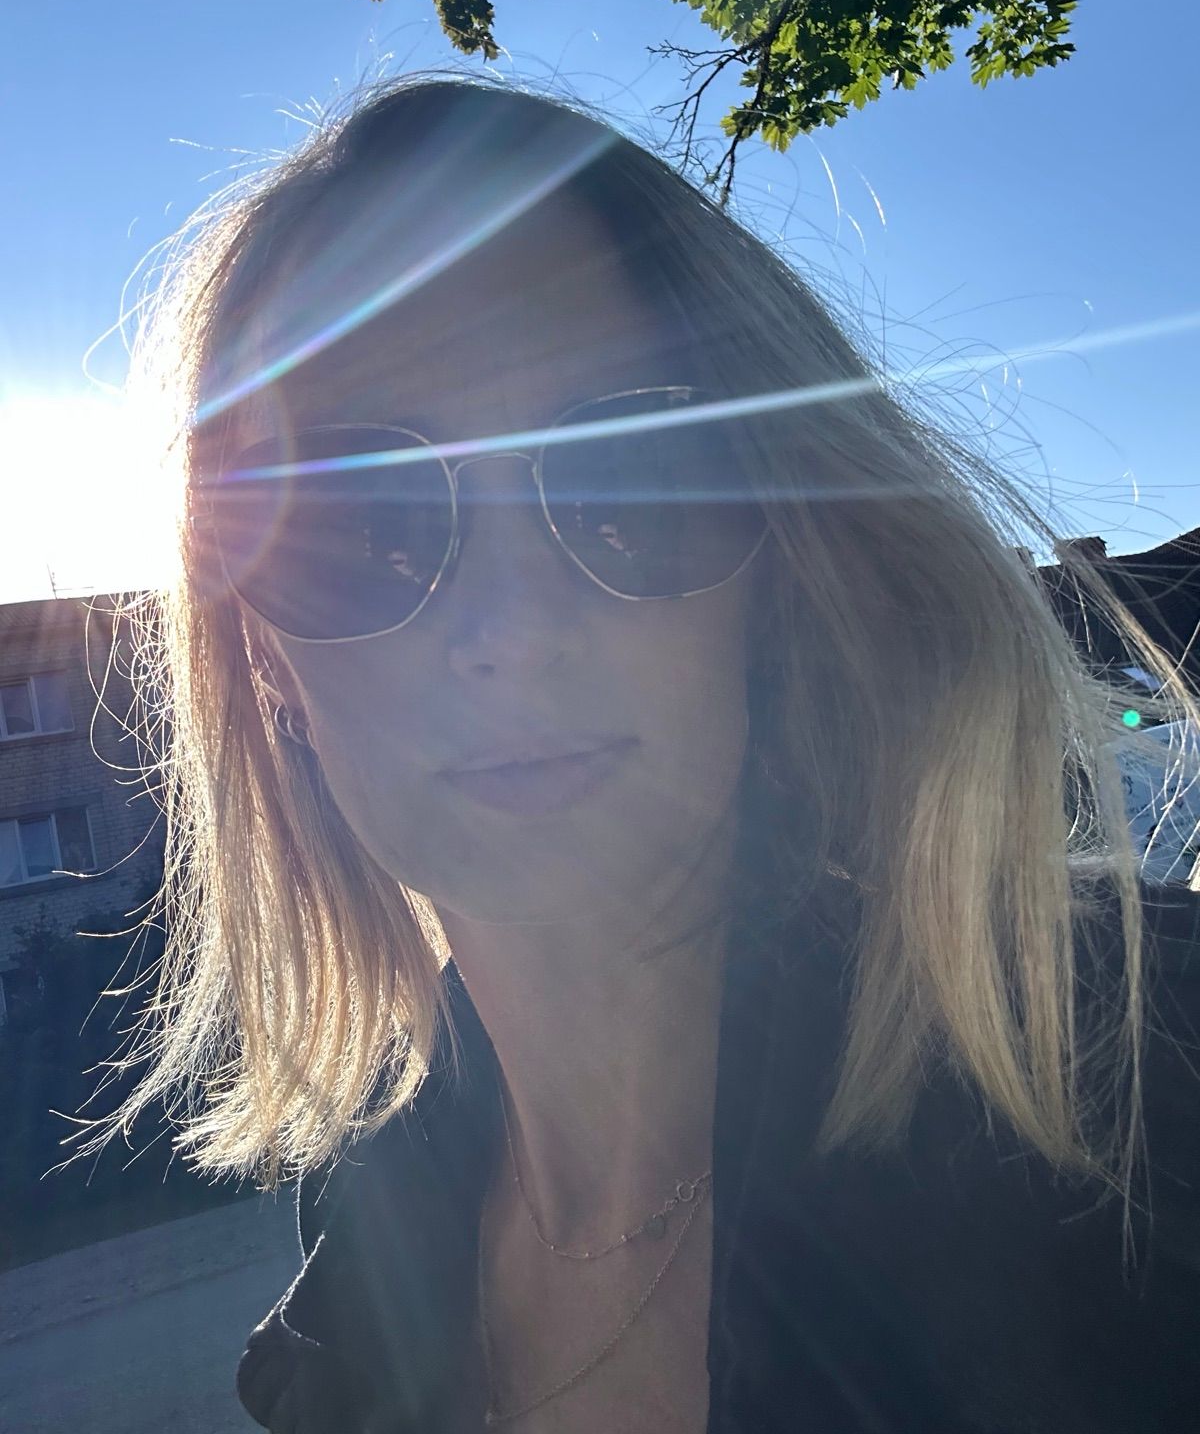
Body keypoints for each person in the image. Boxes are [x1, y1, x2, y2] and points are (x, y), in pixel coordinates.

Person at [104, 77, 1199, 1433]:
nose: (513, 632)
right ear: (260, 653)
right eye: (355, 520)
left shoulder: (1149, 1084)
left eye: (636, 481)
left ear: (781, 556)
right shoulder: (371, 1234)